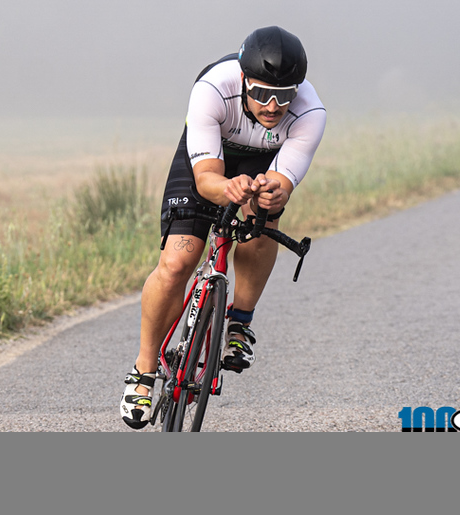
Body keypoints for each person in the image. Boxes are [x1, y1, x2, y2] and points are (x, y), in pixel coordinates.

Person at [120, 25, 327, 429]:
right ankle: (144, 370)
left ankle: (240, 324)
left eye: (284, 96)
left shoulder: (311, 112)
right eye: (262, 92)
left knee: (263, 218)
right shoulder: (213, 88)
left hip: (258, 164)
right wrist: (225, 187)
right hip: (207, 163)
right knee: (178, 262)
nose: (272, 105)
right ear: (243, 79)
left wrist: (273, 193)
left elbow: (284, 181)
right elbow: (206, 179)